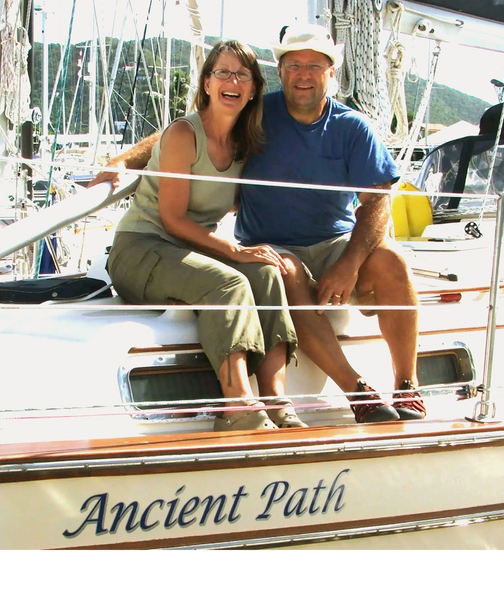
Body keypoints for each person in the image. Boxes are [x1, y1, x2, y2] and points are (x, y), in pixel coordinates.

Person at [92, 24, 425, 424]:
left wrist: (349, 264)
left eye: (315, 66)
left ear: (331, 74)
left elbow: (377, 204)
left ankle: (407, 385)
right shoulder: (258, 112)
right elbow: (184, 130)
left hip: (334, 242)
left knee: (394, 261)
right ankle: (357, 391)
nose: (303, 74)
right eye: (294, 65)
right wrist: (121, 161)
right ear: (281, 72)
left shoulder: (353, 127)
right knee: (282, 271)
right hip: (271, 243)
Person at [103, 40, 306, 432]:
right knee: (230, 283)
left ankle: (276, 398)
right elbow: (173, 219)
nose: (232, 81)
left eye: (242, 75)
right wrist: (235, 250)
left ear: (252, 89)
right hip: (142, 249)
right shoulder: (184, 134)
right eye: (223, 73)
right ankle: (237, 407)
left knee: (266, 273)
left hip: (192, 251)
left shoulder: (247, 145)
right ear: (208, 83)